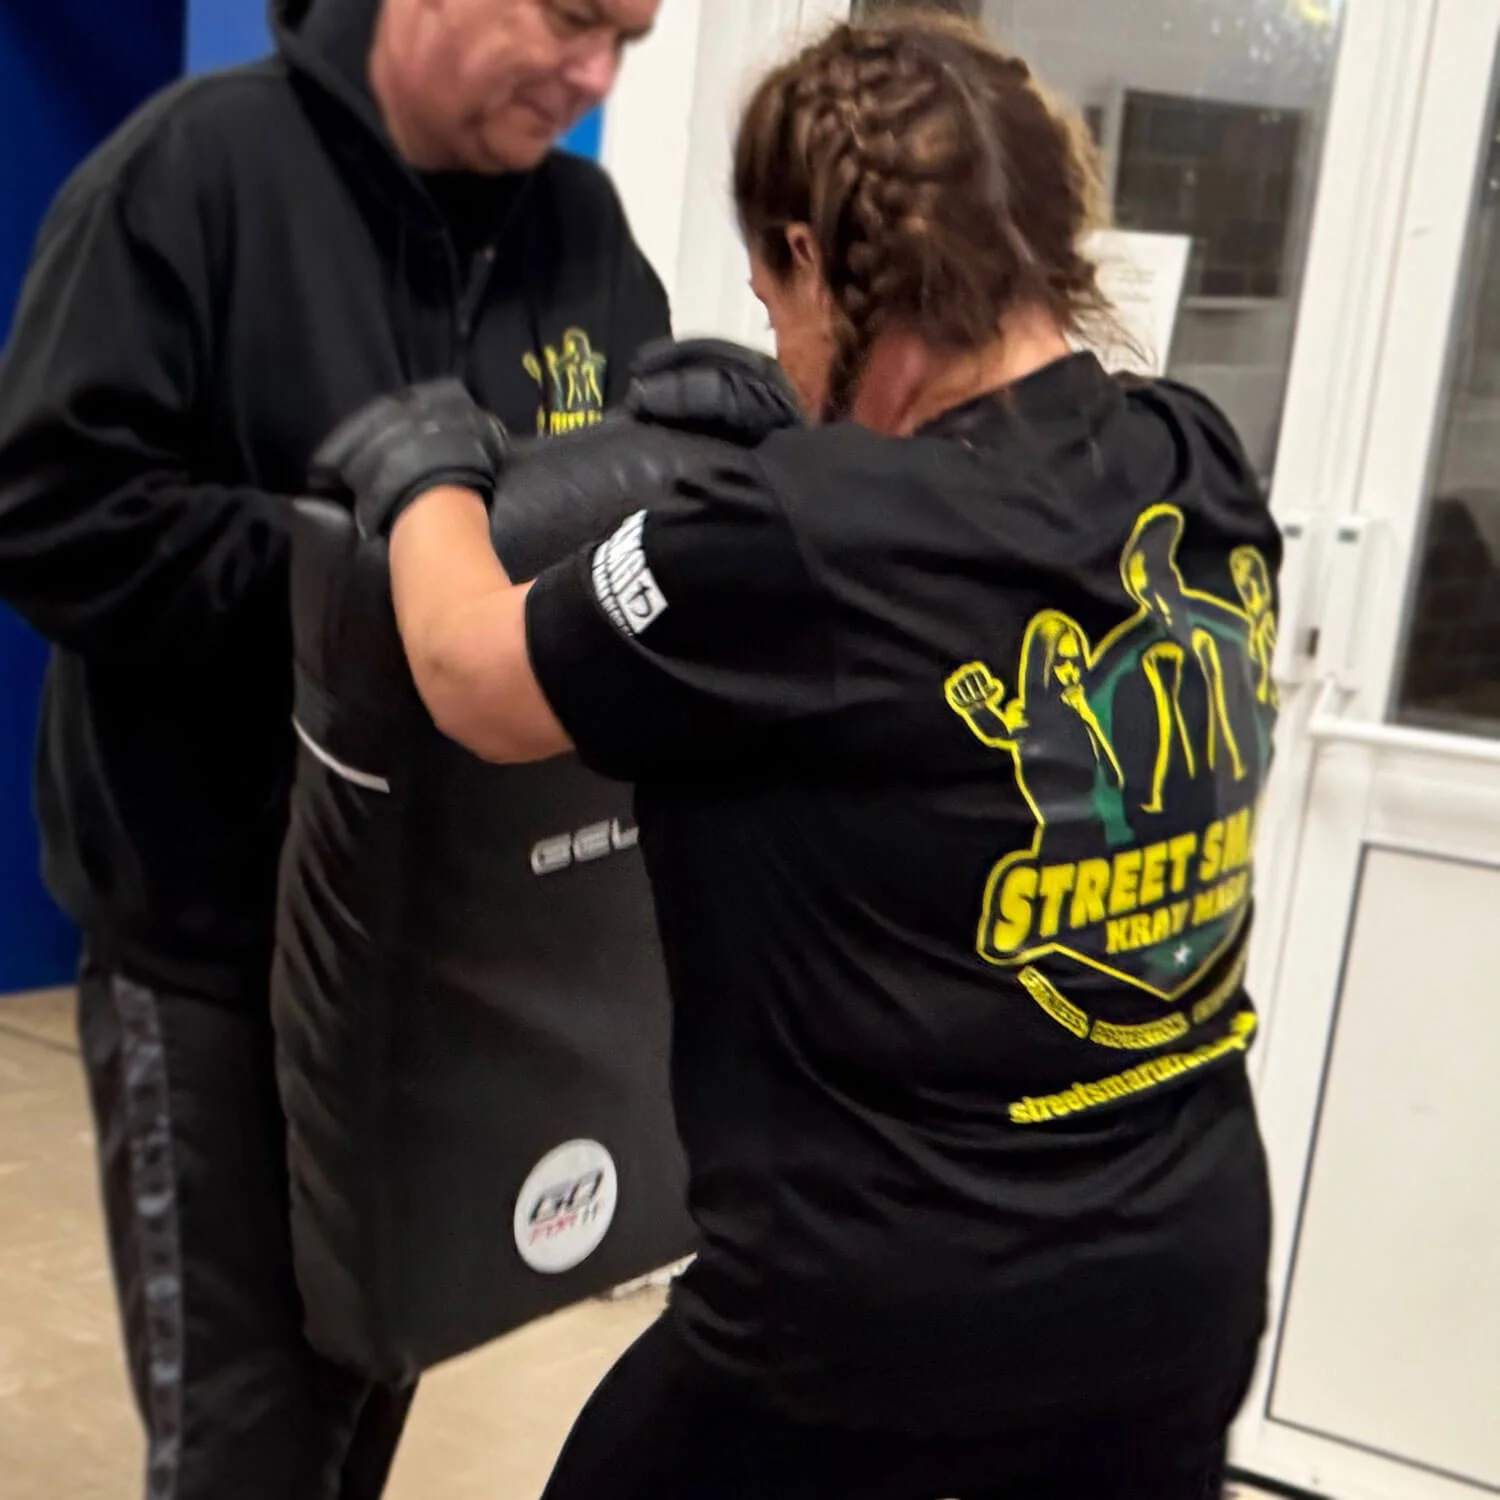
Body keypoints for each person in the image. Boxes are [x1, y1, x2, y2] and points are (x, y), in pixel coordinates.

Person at [314, 12, 1277, 1499]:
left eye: (773, 300)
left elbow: (472, 675)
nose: (774, 337)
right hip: (1181, 1271)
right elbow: (944, 617)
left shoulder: (798, 537)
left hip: (877, 1314)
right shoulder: (1193, 455)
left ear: (817, 256)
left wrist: (425, 464)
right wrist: (785, 457)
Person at [0, 0, 665, 1494]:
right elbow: (48, 512)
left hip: (436, 952)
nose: (593, 73)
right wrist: (354, 584)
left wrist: (698, 472)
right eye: (573, 18)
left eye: (627, 39)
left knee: (364, 1391)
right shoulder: (195, 176)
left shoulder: (580, 228)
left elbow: (588, 539)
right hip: (214, 945)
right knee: (249, 1447)